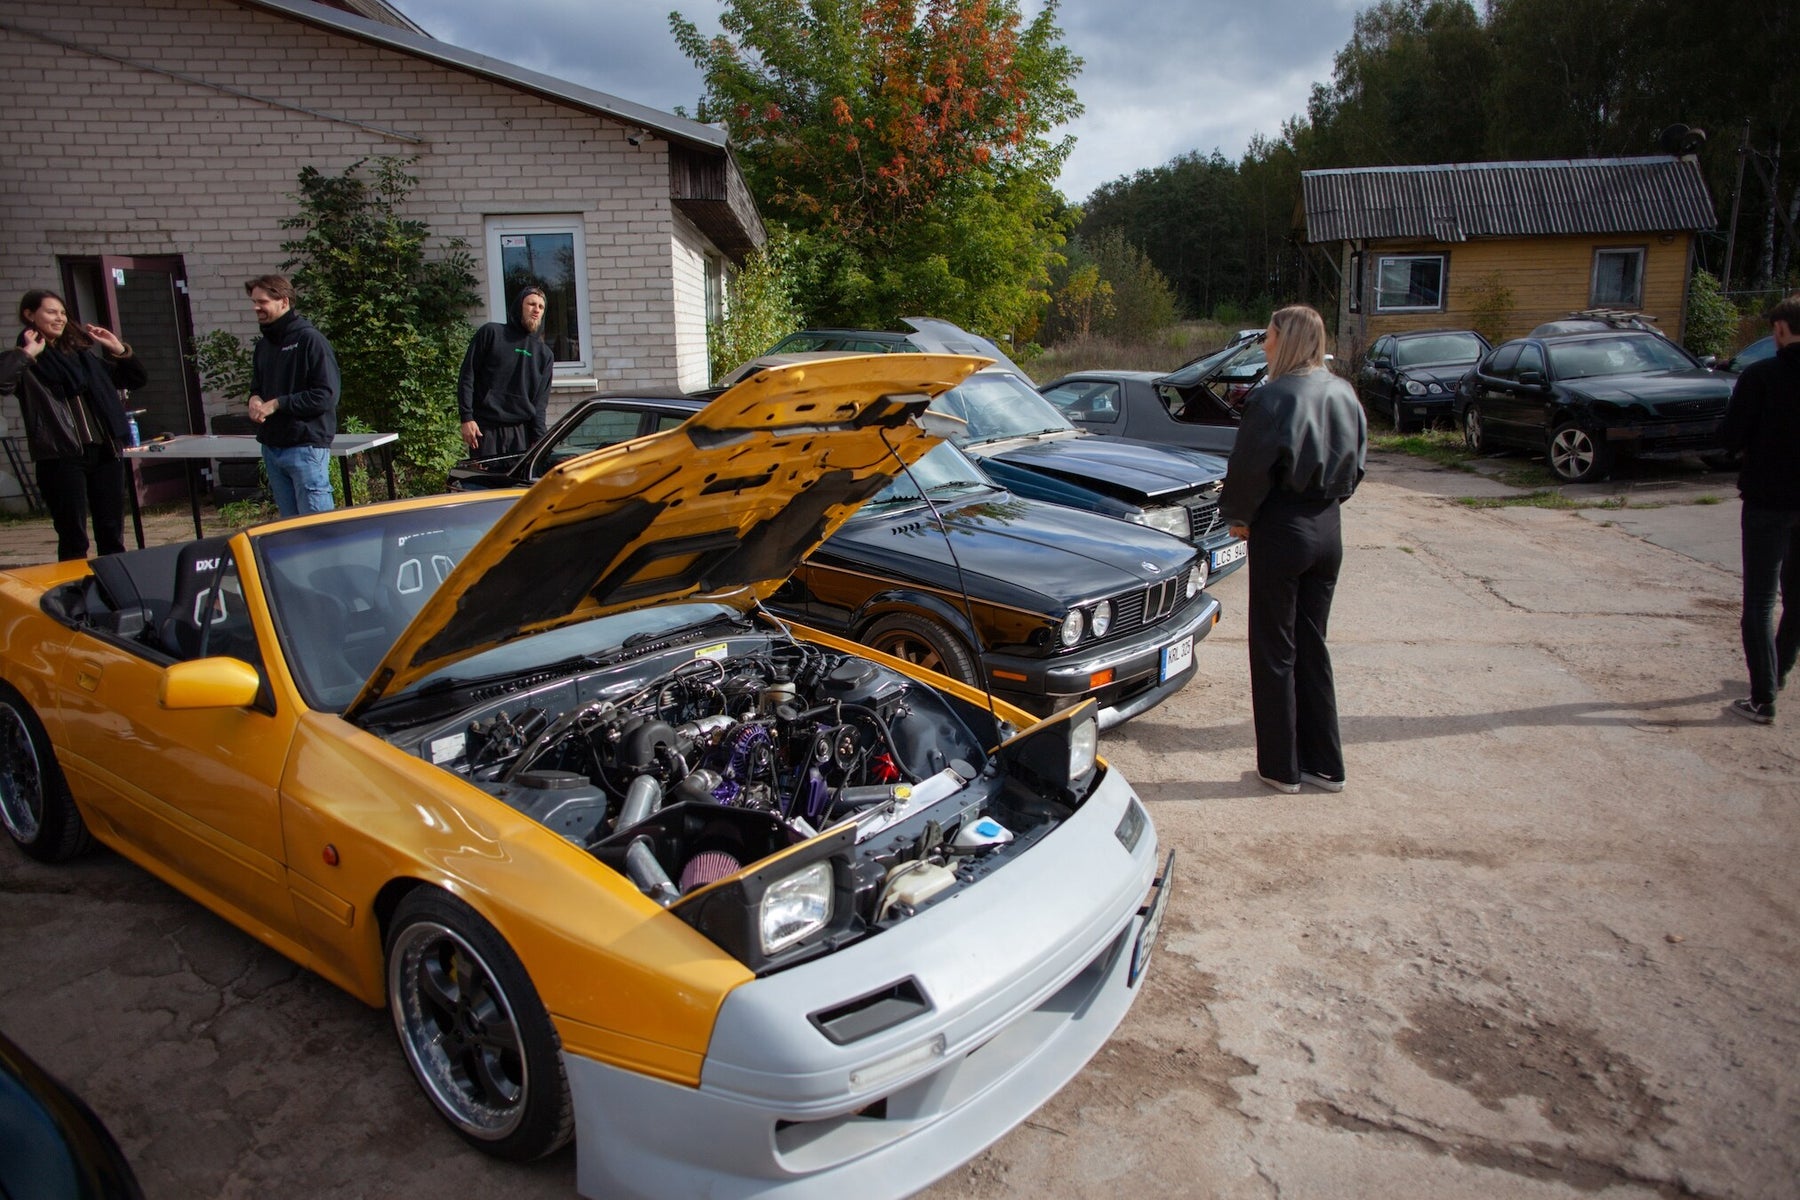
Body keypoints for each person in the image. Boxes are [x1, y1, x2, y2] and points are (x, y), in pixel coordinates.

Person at [1219, 304, 1367, 794]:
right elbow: (1357, 467)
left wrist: (1240, 519)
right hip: (1329, 527)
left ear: (1288, 339)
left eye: (1269, 335)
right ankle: (1326, 766)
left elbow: (1248, 468)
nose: (1264, 344)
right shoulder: (1344, 392)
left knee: (1274, 650)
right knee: (1312, 645)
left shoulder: (1273, 398)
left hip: (1283, 528)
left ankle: (1281, 768)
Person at [0, 290, 146, 560]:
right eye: (51, 312)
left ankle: (112, 593)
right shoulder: (27, 363)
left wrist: (118, 350)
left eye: (63, 313)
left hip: (104, 451)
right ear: (29, 315)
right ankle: (74, 593)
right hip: (61, 455)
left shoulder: (84, 357)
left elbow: (135, 379)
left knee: (111, 532)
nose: (59, 318)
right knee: (73, 536)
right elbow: (3, 382)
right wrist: (27, 354)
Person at [1719, 293, 1800, 724]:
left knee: (1760, 599)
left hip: (1768, 500)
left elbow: (1730, 438)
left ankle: (1763, 696)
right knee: (1797, 595)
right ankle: (1780, 672)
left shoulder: (1762, 376)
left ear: (1781, 330)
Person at [244, 274, 339, 517]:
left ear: (284, 302)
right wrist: (254, 399)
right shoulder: (263, 346)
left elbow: (326, 396)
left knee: (317, 530)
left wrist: (278, 404)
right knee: (290, 533)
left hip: (305, 447)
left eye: (262, 302)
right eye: (254, 302)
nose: (256, 308)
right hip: (273, 448)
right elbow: (257, 387)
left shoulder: (310, 340)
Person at [457, 285, 552, 459]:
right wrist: (466, 418)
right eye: (531, 304)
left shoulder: (544, 354)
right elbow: (467, 376)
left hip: (521, 434)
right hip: (486, 430)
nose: (536, 310)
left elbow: (540, 405)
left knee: (518, 486)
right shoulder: (492, 333)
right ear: (519, 306)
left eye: (541, 306)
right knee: (487, 486)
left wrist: (539, 439)